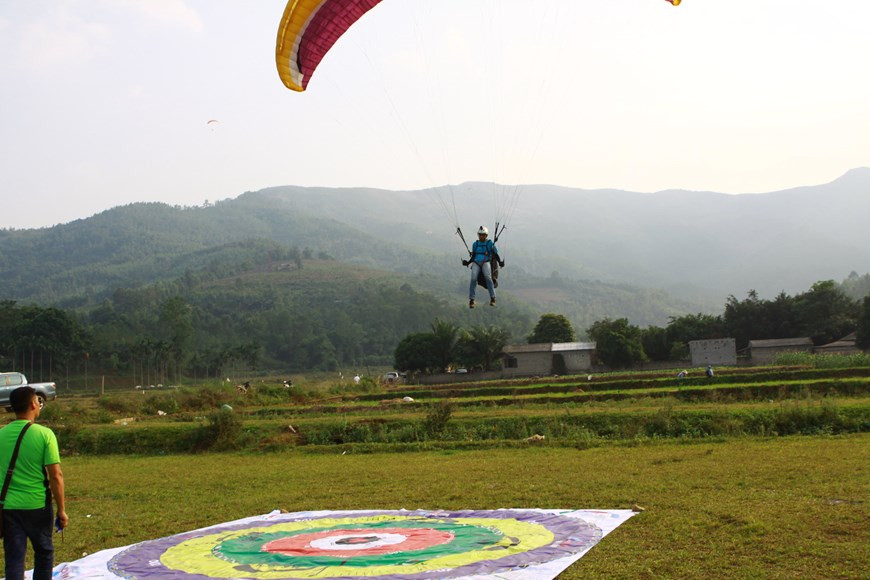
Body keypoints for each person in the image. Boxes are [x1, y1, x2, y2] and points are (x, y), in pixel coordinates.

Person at [0, 386, 67, 580]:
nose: (39, 404)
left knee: (14, 558)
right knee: (44, 553)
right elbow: (56, 476)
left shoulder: (1, 435)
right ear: (32, 404)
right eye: (38, 401)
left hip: (9, 508)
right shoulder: (45, 435)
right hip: (38, 506)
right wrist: (61, 509)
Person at [462, 226, 503, 308]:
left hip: (486, 262)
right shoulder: (475, 244)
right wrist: (468, 262)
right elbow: (473, 256)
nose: (481, 236)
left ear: (486, 235)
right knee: (473, 279)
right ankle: (472, 300)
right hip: (476, 262)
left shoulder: (490, 243)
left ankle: (493, 298)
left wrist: (500, 262)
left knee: (488, 277)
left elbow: (495, 254)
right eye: (480, 235)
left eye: (483, 235)